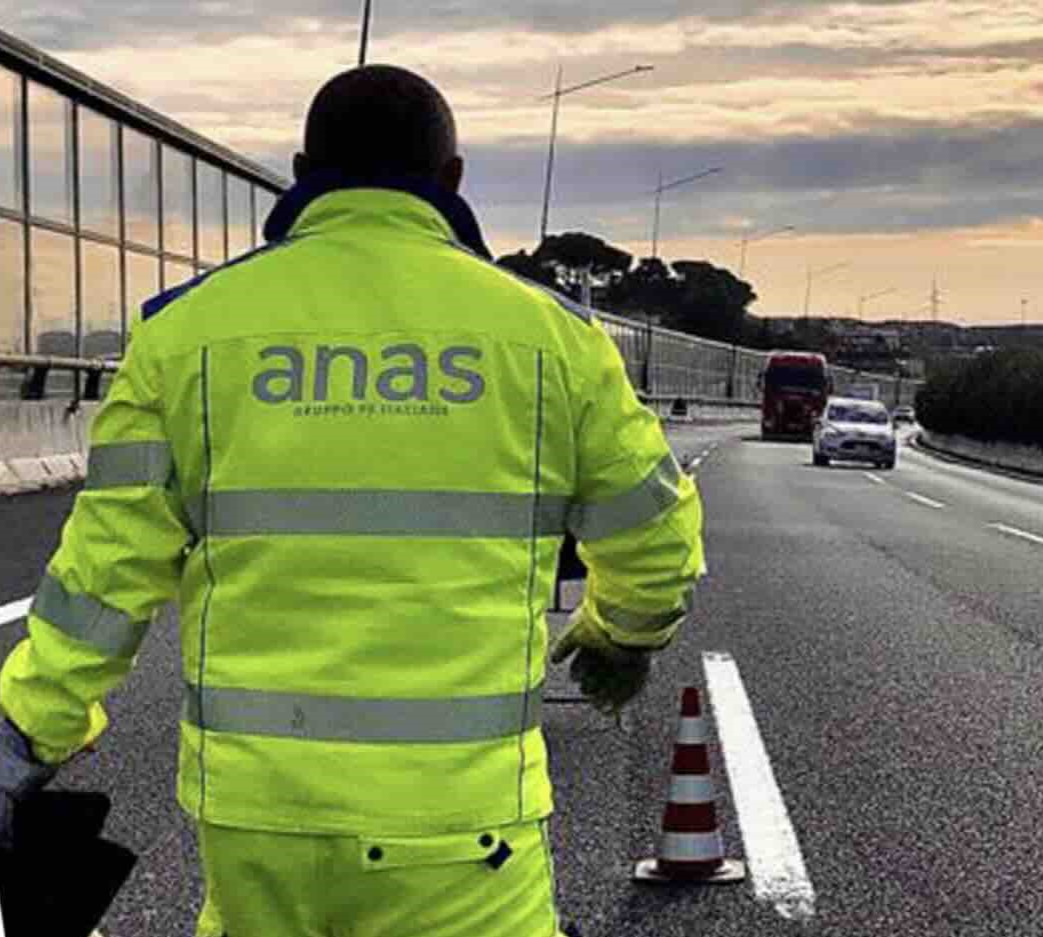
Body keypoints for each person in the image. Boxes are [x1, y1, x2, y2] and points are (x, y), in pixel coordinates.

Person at [0, 65, 704, 937]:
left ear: (301, 171)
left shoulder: (186, 334)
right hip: (459, 824)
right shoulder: (550, 340)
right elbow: (655, 535)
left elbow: (105, 572)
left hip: (257, 816)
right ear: (451, 180)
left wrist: (29, 729)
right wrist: (618, 632)